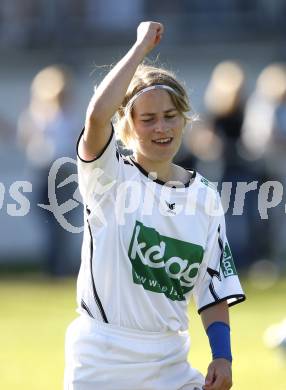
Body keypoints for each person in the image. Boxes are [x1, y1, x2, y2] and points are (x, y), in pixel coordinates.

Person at [64, 22, 245, 390]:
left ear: (184, 119)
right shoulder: (109, 177)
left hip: (170, 362)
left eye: (170, 116)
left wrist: (222, 356)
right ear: (127, 126)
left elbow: (213, 289)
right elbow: (97, 117)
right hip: (102, 359)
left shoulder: (205, 199)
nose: (161, 128)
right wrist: (140, 50)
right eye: (147, 119)